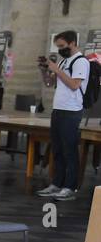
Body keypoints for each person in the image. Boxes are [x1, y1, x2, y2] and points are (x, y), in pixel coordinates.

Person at [38, 29, 89, 201]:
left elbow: (75, 85)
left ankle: (70, 187)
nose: (60, 49)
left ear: (72, 43)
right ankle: (57, 183)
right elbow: (50, 82)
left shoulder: (81, 62)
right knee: (57, 149)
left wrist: (57, 70)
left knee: (70, 150)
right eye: (58, 46)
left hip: (72, 111)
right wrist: (45, 70)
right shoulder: (62, 62)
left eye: (62, 46)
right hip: (58, 109)